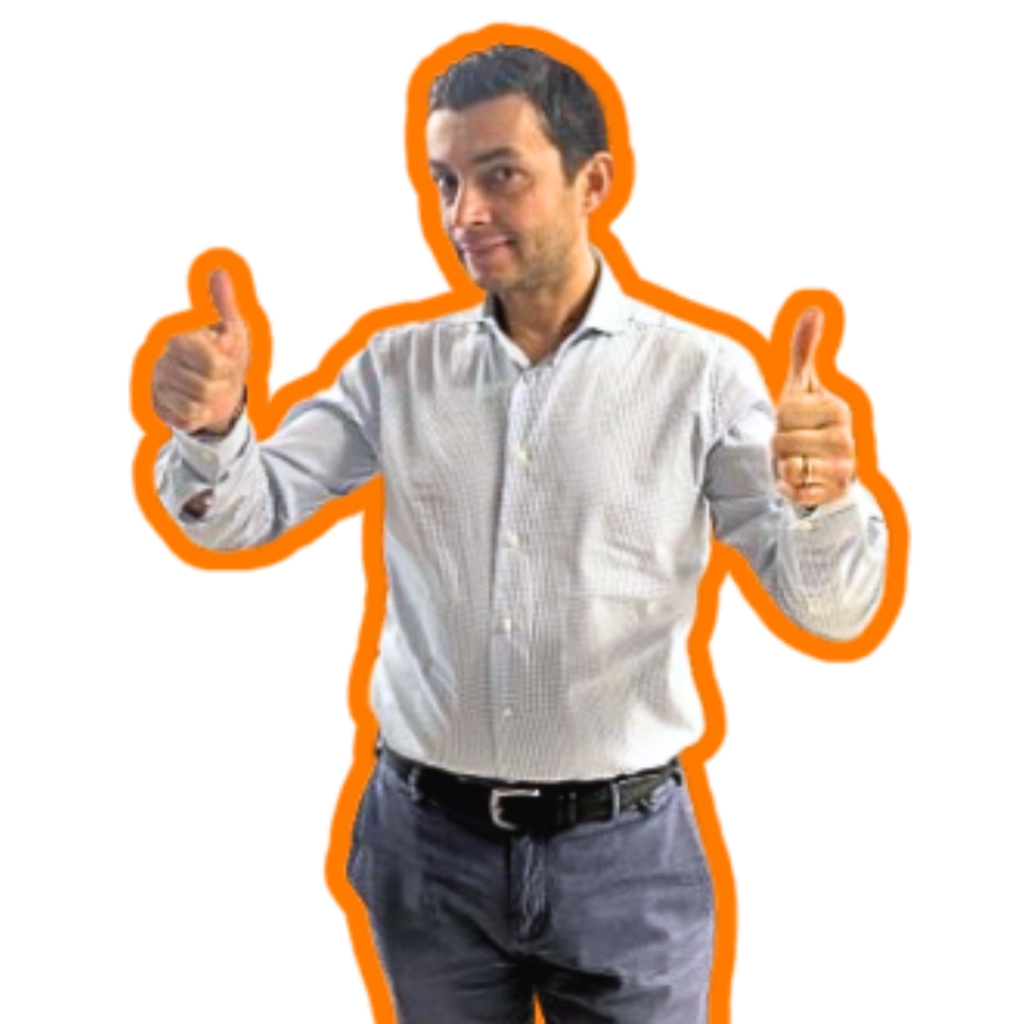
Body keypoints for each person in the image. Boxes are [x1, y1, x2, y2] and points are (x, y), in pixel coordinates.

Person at [153, 44, 886, 1024]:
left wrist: (826, 499)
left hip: (627, 862)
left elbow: (830, 614)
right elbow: (243, 517)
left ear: (595, 181)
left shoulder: (702, 376)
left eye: (500, 174)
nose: (464, 213)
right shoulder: (395, 368)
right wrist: (212, 434)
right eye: (446, 181)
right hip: (426, 852)